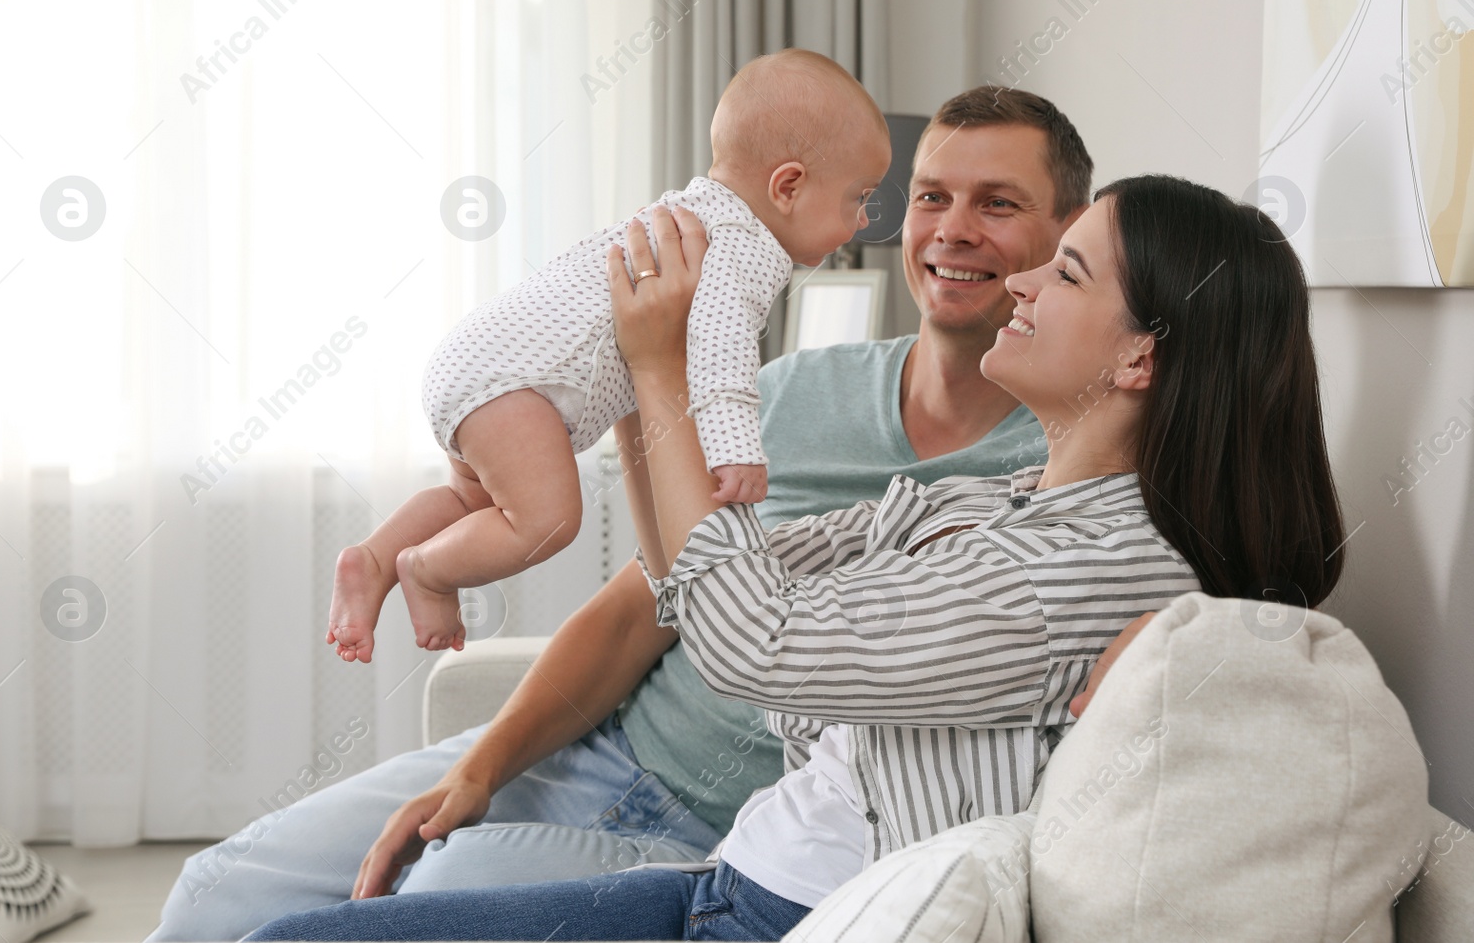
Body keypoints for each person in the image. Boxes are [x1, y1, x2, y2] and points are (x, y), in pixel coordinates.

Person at [244, 173, 1348, 941]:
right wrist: (643, 386)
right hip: (731, 883)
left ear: (1140, 356)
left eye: (1061, 271)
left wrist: (667, 365)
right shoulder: (1002, 500)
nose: (1016, 283)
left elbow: (753, 642)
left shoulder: (1084, 571)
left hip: (778, 914)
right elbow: (713, 580)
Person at [148, 86, 1084, 943]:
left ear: (1070, 232)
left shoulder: (1065, 476)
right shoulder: (793, 389)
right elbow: (642, 604)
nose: (952, 230)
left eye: (997, 203)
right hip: (602, 747)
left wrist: (652, 362)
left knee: (438, 887)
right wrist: (481, 769)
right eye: (930, 197)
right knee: (218, 889)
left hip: (729, 834)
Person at [329, 49, 891, 656]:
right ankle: (428, 571)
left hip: (478, 363)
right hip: (516, 386)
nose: (860, 221)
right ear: (789, 186)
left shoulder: (686, 213)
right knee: (546, 522)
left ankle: (374, 559)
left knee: (474, 501)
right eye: (857, 198)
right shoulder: (743, 247)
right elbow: (721, 354)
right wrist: (735, 451)